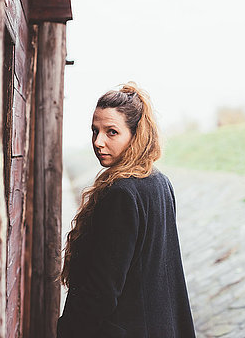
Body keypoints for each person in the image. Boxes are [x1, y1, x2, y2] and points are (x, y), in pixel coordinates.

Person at [57, 83, 196, 338]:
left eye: (112, 132)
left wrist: (68, 331)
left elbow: (101, 290)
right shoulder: (160, 182)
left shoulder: (121, 193)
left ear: (135, 136)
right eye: (94, 131)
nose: (98, 142)